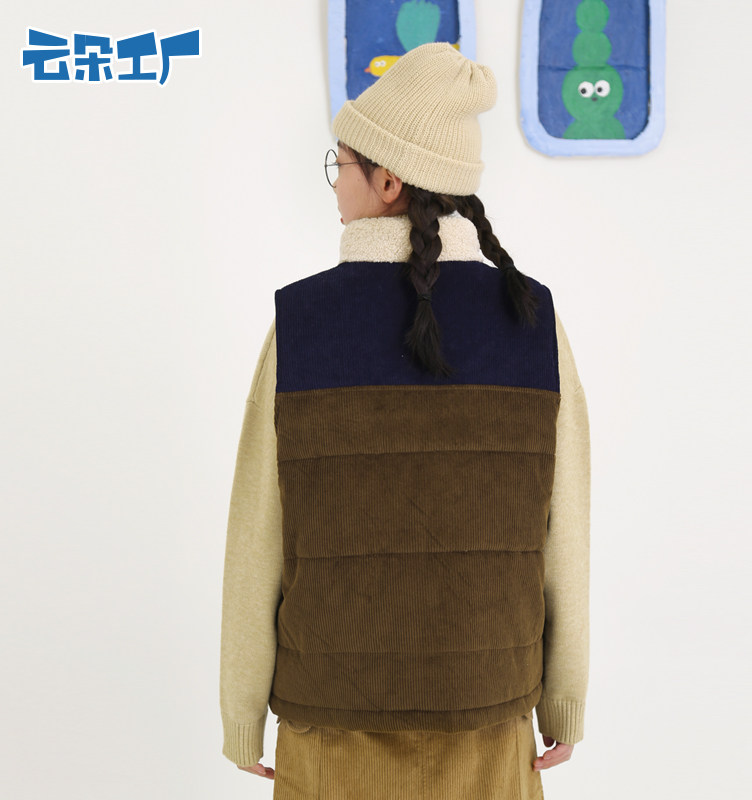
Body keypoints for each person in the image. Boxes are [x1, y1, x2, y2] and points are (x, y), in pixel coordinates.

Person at [219, 42, 590, 799]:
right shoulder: (534, 322)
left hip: (331, 726)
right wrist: (565, 698)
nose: (335, 183)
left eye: (343, 164)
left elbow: (258, 537)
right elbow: (567, 532)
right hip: (490, 721)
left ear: (388, 180)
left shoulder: (302, 325)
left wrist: (241, 712)